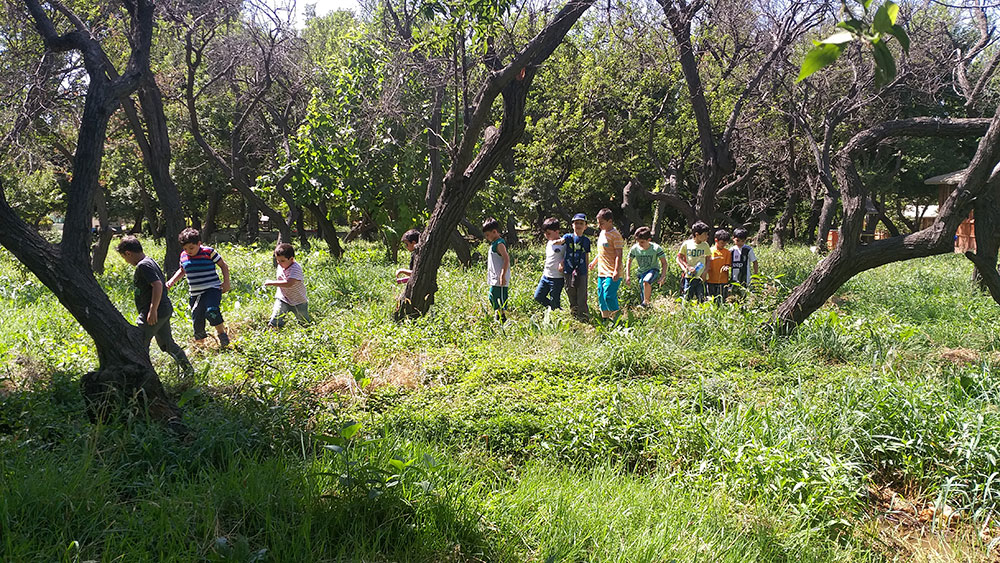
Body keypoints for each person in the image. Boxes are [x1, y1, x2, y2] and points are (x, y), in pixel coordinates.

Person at [116, 236, 194, 376]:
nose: (126, 261)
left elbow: (157, 285)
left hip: (154, 312)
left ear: (128, 253)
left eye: (124, 257)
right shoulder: (150, 261)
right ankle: (188, 371)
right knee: (166, 344)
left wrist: (153, 310)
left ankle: (145, 376)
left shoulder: (143, 265)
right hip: (163, 309)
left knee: (139, 343)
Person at [165, 227, 231, 348]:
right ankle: (200, 346)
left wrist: (226, 282)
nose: (188, 251)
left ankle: (221, 334)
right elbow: (182, 270)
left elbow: (223, 265)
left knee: (212, 310)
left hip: (212, 289)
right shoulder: (183, 256)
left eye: (191, 248)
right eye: (185, 248)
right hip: (195, 293)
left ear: (199, 244)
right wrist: (171, 281)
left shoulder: (208, 252)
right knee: (197, 317)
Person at [263, 243, 312, 328]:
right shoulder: (281, 266)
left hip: (298, 300)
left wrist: (272, 283)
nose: (279, 263)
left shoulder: (295, 268)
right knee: (276, 319)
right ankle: (273, 330)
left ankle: (307, 333)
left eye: (282, 261)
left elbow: (289, 283)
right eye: (277, 260)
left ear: (291, 259)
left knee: (304, 323)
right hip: (283, 298)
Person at [588, 208, 624, 320]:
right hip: (602, 271)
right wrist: (594, 262)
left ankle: (616, 319)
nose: (599, 226)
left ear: (610, 221)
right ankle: (605, 319)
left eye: (602, 223)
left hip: (612, 271)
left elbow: (619, 254)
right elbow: (602, 252)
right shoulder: (602, 233)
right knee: (601, 295)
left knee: (608, 295)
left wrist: (616, 270)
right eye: (598, 223)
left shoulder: (615, 235)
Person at [625, 226, 668, 307]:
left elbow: (664, 263)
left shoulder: (656, 248)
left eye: (642, 242)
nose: (640, 244)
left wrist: (663, 276)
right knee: (642, 286)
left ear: (649, 240)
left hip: (653, 269)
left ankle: (645, 303)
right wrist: (627, 276)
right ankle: (646, 306)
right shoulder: (635, 248)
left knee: (646, 281)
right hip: (641, 271)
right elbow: (629, 261)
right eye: (638, 242)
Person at [562, 213, 591, 321]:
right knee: (570, 291)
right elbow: (561, 242)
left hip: (581, 270)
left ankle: (583, 316)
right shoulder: (568, 237)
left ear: (585, 226)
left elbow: (586, 255)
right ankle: (574, 312)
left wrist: (587, 270)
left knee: (582, 293)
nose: (578, 225)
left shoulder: (586, 241)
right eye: (576, 223)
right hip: (568, 270)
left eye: (581, 223)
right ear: (572, 225)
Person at [534, 217, 565, 310]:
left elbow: (569, 256)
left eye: (548, 233)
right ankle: (554, 308)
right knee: (538, 296)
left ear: (557, 231)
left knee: (555, 301)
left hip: (557, 278)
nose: (546, 235)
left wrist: (563, 262)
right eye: (545, 233)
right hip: (546, 276)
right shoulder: (549, 243)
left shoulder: (564, 243)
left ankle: (555, 311)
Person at [482, 218, 510, 321]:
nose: (487, 237)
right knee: (492, 296)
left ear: (494, 231)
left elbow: (506, 259)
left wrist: (502, 275)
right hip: (495, 276)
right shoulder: (494, 243)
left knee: (500, 297)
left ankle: (502, 317)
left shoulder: (499, 244)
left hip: (500, 277)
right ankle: (498, 314)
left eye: (487, 235)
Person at [676, 221, 711, 302]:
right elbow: (679, 258)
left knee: (702, 298)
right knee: (687, 297)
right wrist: (687, 267)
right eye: (705, 234)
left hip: (701, 277)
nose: (707, 236)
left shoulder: (705, 245)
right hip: (689, 277)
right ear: (697, 234)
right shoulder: (686, 244)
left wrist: (705, 271)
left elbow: (708, 259)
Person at [730, 227, 759, 293]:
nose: (740, 243)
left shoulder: (748, 249)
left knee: (745, 293)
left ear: (746, 240)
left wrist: (755, 275)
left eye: (742, 241)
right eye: (738, 240)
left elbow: (755, 262)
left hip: (746, 278)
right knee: (733, 293)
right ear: (733, 238)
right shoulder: (731, 250)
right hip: (733, 278)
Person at [707, 229, 732, 303]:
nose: (723, 245)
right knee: (711, 299)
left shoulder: (727, 252)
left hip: (723, 280)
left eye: (725, 243)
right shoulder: (709, 251)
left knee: (721, 300)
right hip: (711, 280)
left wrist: (726, 267)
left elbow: (728, 264)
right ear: (716, 240)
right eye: (722, 243)